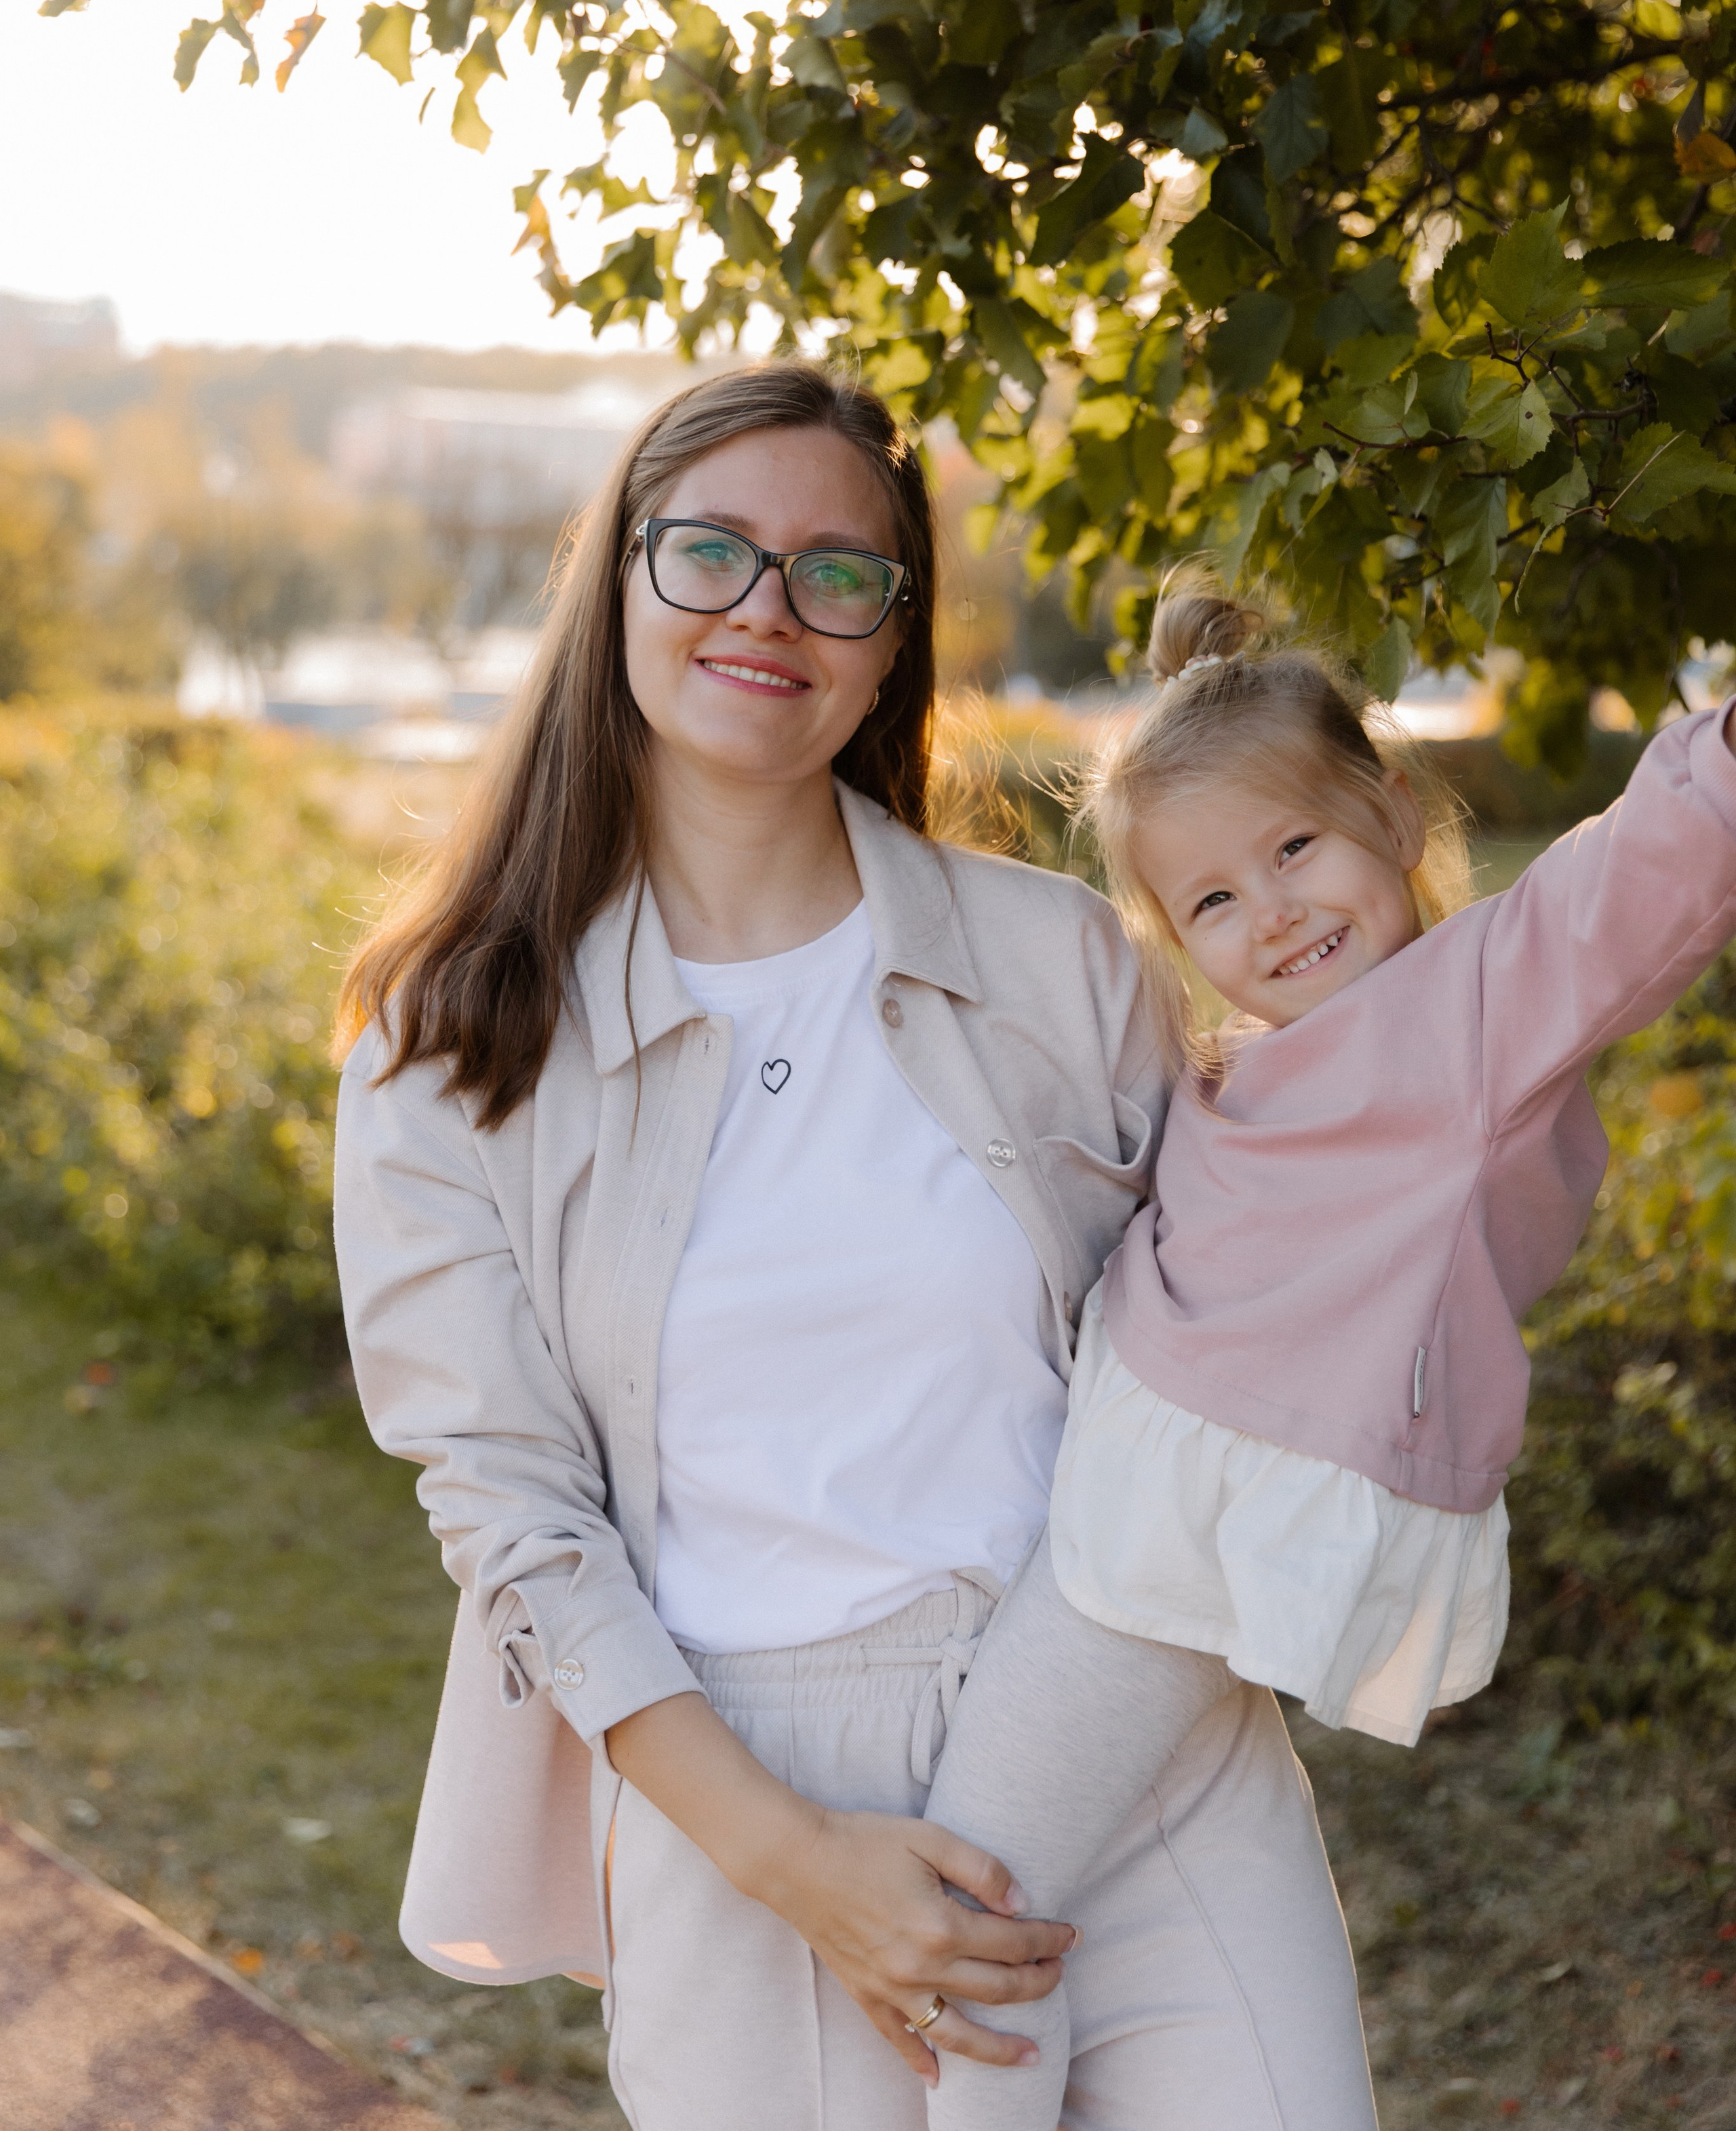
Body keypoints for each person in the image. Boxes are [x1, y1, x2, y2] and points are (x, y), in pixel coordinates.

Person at [332, 371, 1379, 2131]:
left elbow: (1254, 1292)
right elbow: (512, 1513)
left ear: (895, 640)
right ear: (620, 584)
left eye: (838, 572)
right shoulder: (450, 1047)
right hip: (762, 1806)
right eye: (713, 552)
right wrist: (796, 1862)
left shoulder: (1063, 964)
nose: (767, 608)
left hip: (1140, 1729)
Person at [919, 581, 1736, 2131]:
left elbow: (1628, 881)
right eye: (1211, 903)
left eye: (1292, 850)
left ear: (1393, 805)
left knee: (970, 1906)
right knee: (1016, 1903)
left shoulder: (1465, 1016)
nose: (1269, 914)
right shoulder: (1255, 1060)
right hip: (1122, 1504)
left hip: (1162, 1549)